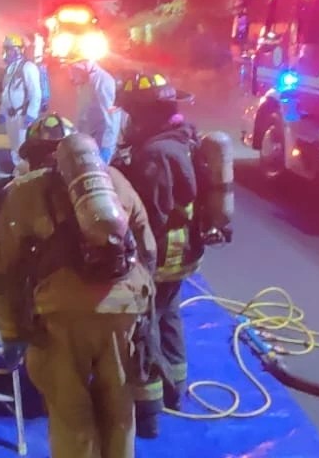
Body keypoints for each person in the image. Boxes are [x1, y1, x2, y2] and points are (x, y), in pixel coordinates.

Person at [0, 124, 156, 458]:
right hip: (123, 309)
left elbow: (1, 267)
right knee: (119, 406)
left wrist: (11, 330)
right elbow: (147, 247)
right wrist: (144, 304)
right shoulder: (114, 180)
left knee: (71, 412)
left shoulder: (25, 191)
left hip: (62, 315)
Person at [115, 71, 200, 439]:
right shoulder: (179, 139)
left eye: (131, 115)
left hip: (163, 253)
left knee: (144, 325)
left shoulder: (155, 154)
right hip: (181, 250)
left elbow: (152, 214)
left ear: (145, 115)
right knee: (168, 315)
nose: (128, 123)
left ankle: (148, 413)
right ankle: (175, 390)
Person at [0, 34, 42, 167]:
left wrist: (31, 114)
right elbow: (6, 93)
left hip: (22, 115)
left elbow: (35, 92)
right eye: (6, 49)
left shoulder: (28, 67)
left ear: (18, 50)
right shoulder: (10, 68)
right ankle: (16, 169)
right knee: (14, 145)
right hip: (10, 114)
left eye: (10, 49)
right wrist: (2, 111)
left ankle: (23, 172)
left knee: (22, 147)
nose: (7, 52)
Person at [70, 55, 119, 164]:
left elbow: (111, 118)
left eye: (76, 70)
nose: (73, 76)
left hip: (102, 140)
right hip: (88, 138)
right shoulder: (86, 81)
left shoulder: (103, 82)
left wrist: (106, 147)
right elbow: (83, 112)